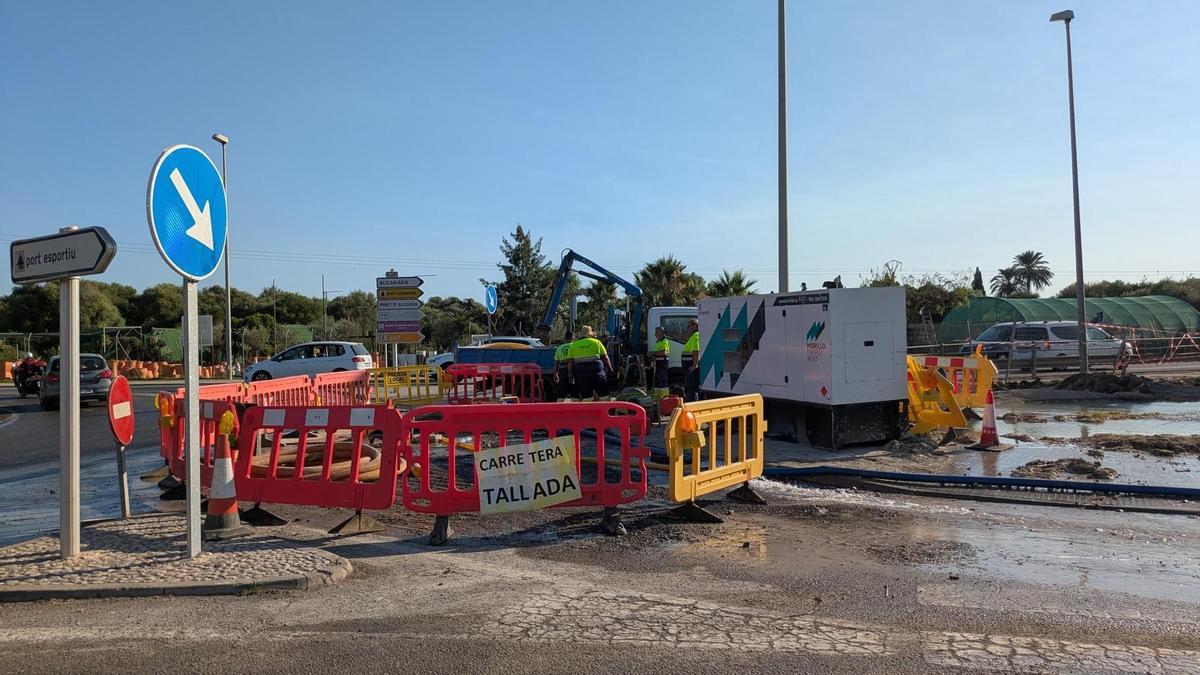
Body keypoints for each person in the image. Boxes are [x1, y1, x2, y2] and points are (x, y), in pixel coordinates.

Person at [568, 325, 613, 401]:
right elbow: (605, 358)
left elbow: (570, 362)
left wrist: (570, 374)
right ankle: (605, 410)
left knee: (587, 397)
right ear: (590, 334)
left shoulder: (574, 345)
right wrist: (611, 369)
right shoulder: (596, 342)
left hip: (582, 375)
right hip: (597, 373)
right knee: (604, 395)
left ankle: (588, 411)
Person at [649, 326, 670, 401]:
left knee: (663, 382)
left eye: (656, 332)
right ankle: (656, 400)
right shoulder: (658, 342)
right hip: (658, 364)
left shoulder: (664, 341)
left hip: (662, 364)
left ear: (661, 333)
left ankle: (665, 399)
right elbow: (657, 354)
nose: (655, 334)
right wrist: (653, 356)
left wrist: (652, 353)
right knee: (657, 382)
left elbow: (663, 352)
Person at [682, 319, 700, 402]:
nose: (687, 328)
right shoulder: (692, 337)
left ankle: (692, 406)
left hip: (692, 368)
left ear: (695, 326)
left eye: (689, 326)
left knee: (691, 388)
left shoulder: (696, 336)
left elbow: (696, 352)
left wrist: (694, 365)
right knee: (689, 387)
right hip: (689, 367)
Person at [553, 330, 575, 400]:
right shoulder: (574, 346)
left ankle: (559, 407)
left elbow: (556, 363)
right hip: (573, 370)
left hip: (562, 371)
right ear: (573, 338)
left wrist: (555, 374)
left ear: (565, 338)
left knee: (561, 393)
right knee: (575, 392)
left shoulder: (559, 348)